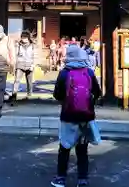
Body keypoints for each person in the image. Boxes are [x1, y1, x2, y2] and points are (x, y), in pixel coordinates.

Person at [51, 44, 102, 187]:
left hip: (68, 116)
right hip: (85, 117)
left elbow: (57, 95)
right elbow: (97, 92)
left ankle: (61, 178)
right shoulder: (89, 72)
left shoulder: (64, 73)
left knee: (64, 148)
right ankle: (82, 179)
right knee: (82, 149)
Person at [11, 31, 35, 105]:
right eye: (22, 37)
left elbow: (35, 56)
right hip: (20, 65)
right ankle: (14, 95)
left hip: (29, 65)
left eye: (25, 38)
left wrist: (33, 65)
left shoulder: (33, 45)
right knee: (17, 80)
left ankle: (29, 95)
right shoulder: (18, 45)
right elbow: (15, 55)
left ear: (28, 38)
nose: (23, 39)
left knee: (29, 82)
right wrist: (14, 66)